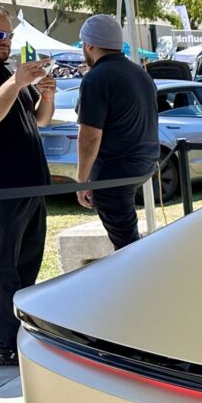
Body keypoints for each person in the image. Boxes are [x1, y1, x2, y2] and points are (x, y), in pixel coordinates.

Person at [0, 3, 55, 367]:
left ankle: (22, 332)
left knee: (27, 264)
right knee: (1, 269)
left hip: (31, 189)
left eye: (9, 35)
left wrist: (46, 93)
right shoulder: (4, 77)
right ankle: (4, 344)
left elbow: (40, 121)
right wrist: (16, 82)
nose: (6, 42)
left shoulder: (7, 72)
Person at [75, 14, 159, 251]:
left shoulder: (96, 78)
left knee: (127, 247)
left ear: (89, 44)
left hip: (115, 172)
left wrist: (82, 180)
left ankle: (143, 285)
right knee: (128, 240)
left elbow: (90, 136)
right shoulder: (140, 73)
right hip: (143, 165)